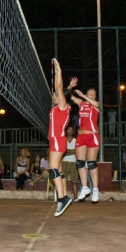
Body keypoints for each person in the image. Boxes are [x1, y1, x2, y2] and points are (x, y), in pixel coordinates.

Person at [48, 58, 78, 217]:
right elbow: (62, 91)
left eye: (56, 95)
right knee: (58, 171)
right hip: (57, 141)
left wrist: (58, 69)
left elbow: (59, 88)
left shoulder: (61, 107)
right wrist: (69, 88)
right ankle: (63, 193)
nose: (54, 95)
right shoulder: (61, 107)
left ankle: (63, 198)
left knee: (52, 169)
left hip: (58, 141)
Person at [70, 86, 101, 203]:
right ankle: (84, 188)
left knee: (92, 163)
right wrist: (70, 87)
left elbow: (97, 104)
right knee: (80, 162)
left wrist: (83, 95)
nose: (92, 95)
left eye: (94, 94)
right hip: (81, 136)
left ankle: (96, 190)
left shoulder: (95, 105)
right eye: (90, 94)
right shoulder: (82, 104)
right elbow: (69, 95)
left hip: (92, 136)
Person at [63, 126, 78, 201]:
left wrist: (67, 151)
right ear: (66, 131)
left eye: (72, 130)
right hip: (64, 162)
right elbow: (63, 151)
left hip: (74, 162)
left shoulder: (76, 140)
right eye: (69, 129)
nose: (70, 131)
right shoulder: (63, 140)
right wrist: (72, 151)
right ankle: (64, 197)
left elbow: (77, 151)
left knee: (74, 181)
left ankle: (75, 198)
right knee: (63, 181)